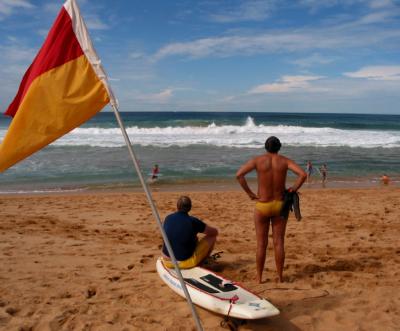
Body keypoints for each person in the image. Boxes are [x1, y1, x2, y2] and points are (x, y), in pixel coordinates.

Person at [236, 136, 307, 283]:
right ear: (279, 147)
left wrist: (250, 193)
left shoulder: (258, 160)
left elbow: (239, 175)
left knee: (261, 243)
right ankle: (280, 277)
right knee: (279, 242)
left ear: (265, 147)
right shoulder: (285, 161)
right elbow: (303, 174)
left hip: (262, 205)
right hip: (280, 205)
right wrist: (293, 189)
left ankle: (259, 278)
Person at [162, 196, 218, 269]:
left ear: (177, 206)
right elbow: (214, 232)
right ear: (190, 207)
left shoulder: (168, 217)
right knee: (212, 237)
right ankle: (204, 261)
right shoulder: (193, 221)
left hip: (166, 260)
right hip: (183, 262)